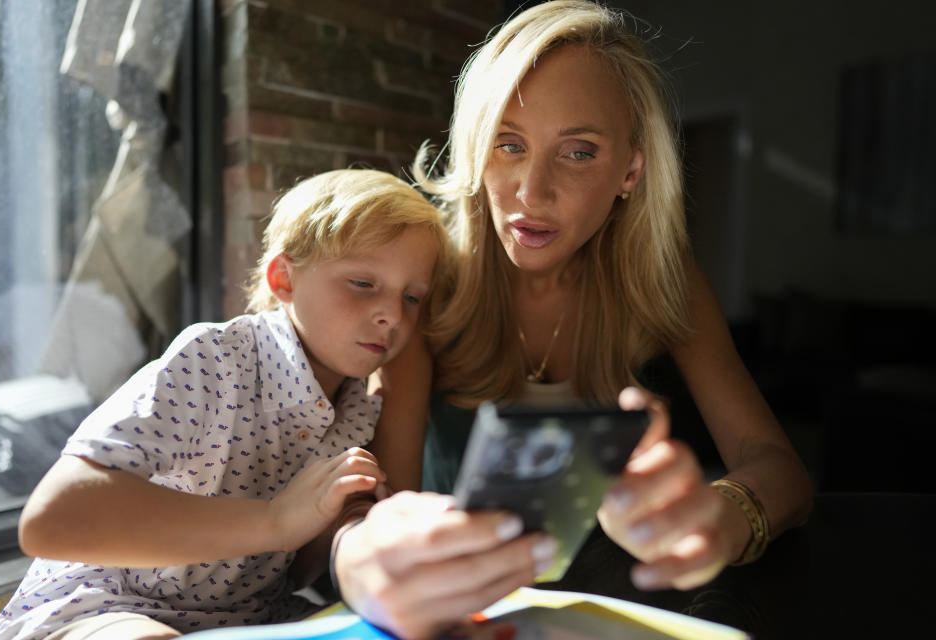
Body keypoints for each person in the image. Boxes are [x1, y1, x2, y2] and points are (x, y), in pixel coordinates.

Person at [333, 2, 813, 638]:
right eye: (509, 144)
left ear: (630, 171)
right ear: (478, 149)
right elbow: (386, 501)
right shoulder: (427, 276)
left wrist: (721, 516)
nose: (532, 191)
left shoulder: (664, 279)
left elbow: (777, 465)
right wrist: (360, 557)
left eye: (579, 152)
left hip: (611, 603)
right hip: (462, 601)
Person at [0, 169, 447, 640]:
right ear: (284, 279)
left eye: (412, 297)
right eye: (363, 283)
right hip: (105, 604)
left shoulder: (357, 410)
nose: (392, 314)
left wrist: (336, 522)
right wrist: (274, 521)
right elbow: (52, 519)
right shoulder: (214, 359)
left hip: (248, 619)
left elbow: (300, 569)